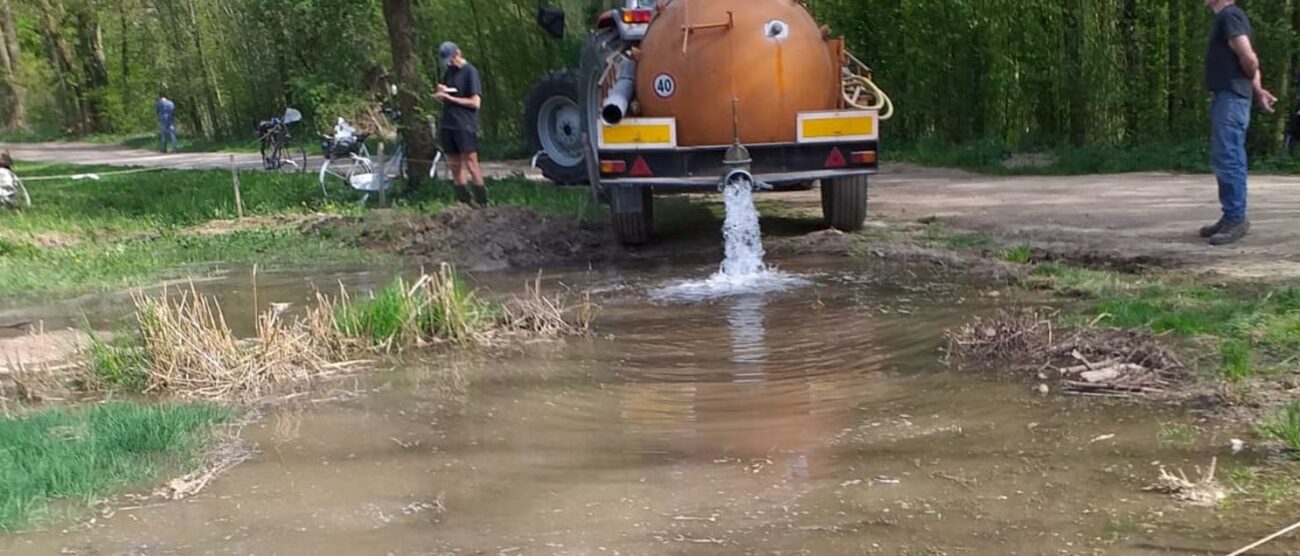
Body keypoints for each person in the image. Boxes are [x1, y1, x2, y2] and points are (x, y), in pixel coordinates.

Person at [1200, 0, 1276, 246]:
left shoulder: (1230, 16)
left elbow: (1248, 57)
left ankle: (1236, 218)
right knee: (1224, 156)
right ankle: (1229, 216)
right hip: (1229, 95)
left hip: (1231, 97)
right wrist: (1258, 90)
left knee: (1229, 156)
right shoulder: (1228, 18)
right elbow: (1249, 60)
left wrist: (1248, 86)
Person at [434, 42, 487, 208]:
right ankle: (465, 202)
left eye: (451, 59)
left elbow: (475, 102)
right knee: (454, 165)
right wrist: (442, 92)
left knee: (471, 163)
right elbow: (449, 91)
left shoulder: (470, 72)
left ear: (458, 54)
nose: (450, 63)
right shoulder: (449, 72)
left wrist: (452, 99)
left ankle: (482, 201)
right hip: (448, 123)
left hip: (464, 123)